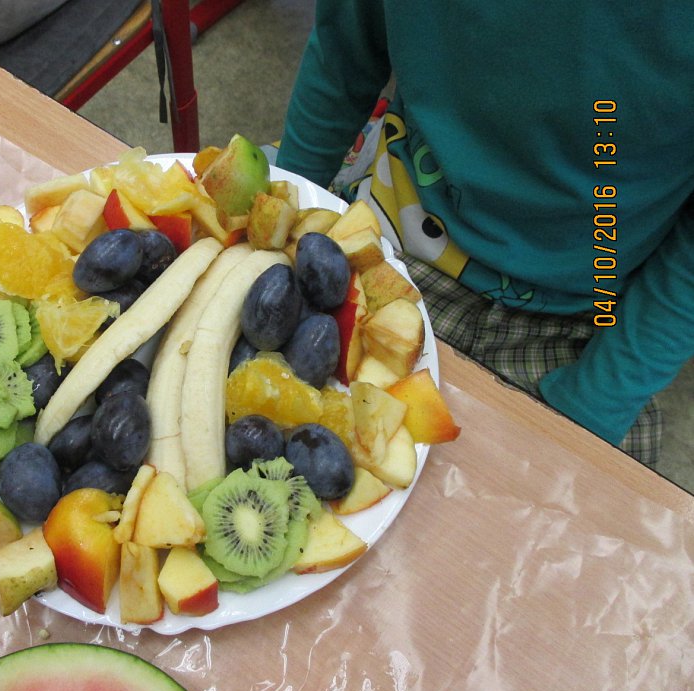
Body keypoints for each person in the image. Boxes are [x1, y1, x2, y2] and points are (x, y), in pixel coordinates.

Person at [276, 0, 693, 468]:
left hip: (590, 314)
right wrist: (283, 216)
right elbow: (344, 56)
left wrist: (599, 398)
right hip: (394, 236)